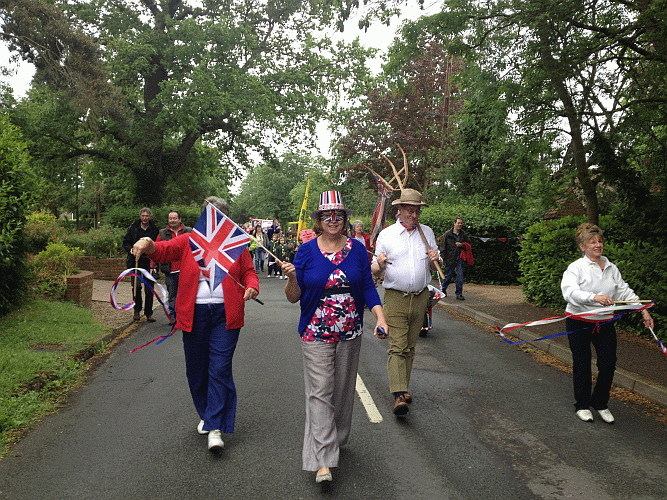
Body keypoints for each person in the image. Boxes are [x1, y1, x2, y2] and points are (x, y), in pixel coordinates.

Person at [130, 196, 259, 451]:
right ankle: (208, 413)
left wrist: (252, 286)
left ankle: (215, 426)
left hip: (226, 314)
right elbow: (165, 249)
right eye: (211, 216)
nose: (216, 221)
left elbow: (248, 272)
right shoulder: (190, 241)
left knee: (220, 368)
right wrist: (147, 243)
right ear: (204, 218)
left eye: (221, 216)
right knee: (196, 370)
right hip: (194, 314)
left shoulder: (235, 244)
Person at [281, 190, 388, 484]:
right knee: (320, 392)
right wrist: (292, 277)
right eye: (327, 215)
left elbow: (367, 286)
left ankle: (335, 439)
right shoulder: (305, 251)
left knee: (341, 391)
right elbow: (293, 297)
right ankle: (323, 459)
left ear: (344, 219)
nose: (332, 220)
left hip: (350, 331)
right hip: (316, 331)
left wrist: (380, 317)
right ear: (318, 220)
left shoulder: (356, 249)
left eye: (338, 215)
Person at [561, 223, 653, 424]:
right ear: (582, 247)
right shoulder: (576, 268)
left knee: (608, 364)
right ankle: (583, 405)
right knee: (582, 364)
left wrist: (643, 311)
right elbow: (570, 293)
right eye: (592, 242)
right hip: (578, 323)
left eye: (600, 241)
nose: (597, 245)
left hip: (604, 323)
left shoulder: (611, 267)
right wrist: (594, 297)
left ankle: (600, 403)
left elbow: (624, 292)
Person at [371, 189, 442, 416]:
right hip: (395, 297)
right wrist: (380, 264)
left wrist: (435, 260)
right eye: (410, 210)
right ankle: (399, 394)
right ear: (399, 210)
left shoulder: (427, 232)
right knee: (397, 347)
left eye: (417, 210)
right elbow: (375, 270)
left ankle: (403, 387)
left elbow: (433, 267)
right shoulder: (387, 235)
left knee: (410, 347)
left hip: (421, 296)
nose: (414, 214)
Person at [122, 207, 160, 322]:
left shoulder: (154, 229)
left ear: (150, 217)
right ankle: (137, 310)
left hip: (149, 261)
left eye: (147, 216)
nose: (144, 218)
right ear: (140, 216)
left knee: (149, 288)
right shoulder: (133, 228)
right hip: (135, 261)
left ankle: (148, 313)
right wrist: (131, 250)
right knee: (136, 287)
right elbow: (126, 242)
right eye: (143, 216)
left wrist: (155, 264)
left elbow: (158, 246)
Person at [155, 210, 192, 324]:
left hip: (186, 270)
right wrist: (154, 265)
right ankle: (173, 318)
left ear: (180, 219)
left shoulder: (189, 231)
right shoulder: (162, 233)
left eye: (175, 218)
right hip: (170, 270)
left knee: (187, 295)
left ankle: (186, 317)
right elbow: (156, 249)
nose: (172, 220)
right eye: (170, 218)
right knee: (173, 295)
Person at [439, 217, 471, 300]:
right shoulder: (447, 234)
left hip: (460, 258)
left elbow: (469, 245)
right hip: (450, 258)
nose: (460, 225)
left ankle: (459, 294)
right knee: (448, 276)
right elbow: (443, 247)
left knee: (460, 276)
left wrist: (462, 245)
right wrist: (442, 259)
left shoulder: (463, 234)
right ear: (454, 223)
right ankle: (443, 289)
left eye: (461, 223)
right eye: (458, 223)